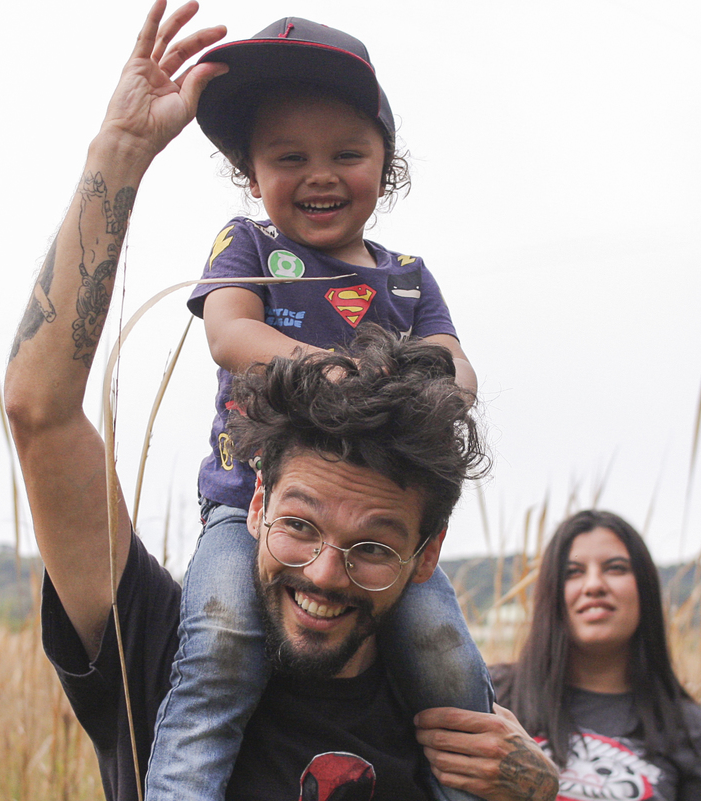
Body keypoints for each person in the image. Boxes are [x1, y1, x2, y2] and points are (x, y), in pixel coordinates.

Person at [3, 2, 558, 799]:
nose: (326, 571)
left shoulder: (456, 721)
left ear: (425, 550)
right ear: (258, 496)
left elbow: (457, 368)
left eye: (372, 546)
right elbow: (39, 409)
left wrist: (546, 793)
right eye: (300, 524)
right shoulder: (168, 643)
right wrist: (120, 151)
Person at [150, 14, 490, 801]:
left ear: (386, 164)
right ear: (251, 173)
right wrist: (339, 373)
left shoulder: (407, 278)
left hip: (377, 534)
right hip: (249, 514)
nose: (321, 175)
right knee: (222, 642)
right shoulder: (249, 247)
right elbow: (230, 333)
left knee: (445, 652)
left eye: (347, 153)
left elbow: (459, 367)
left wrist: (434, 388)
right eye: (288, 157)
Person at [488, 510, 701, 800]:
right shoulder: (492, 695)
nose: (594, 585)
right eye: (572, 572)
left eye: (615, 568)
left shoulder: (689, 729)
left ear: (645, 589)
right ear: (551, 594)